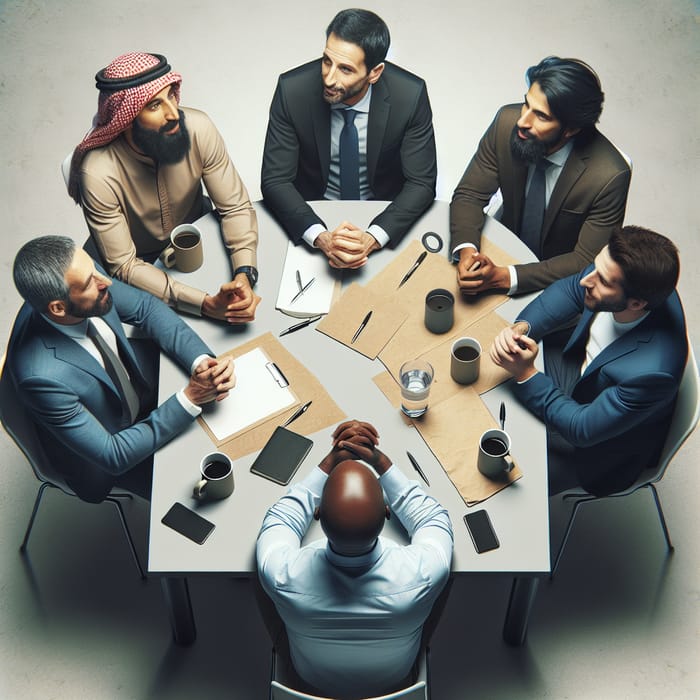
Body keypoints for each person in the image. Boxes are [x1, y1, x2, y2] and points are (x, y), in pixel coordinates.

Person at [7, 235, 236, 503]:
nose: (106, 282)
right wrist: (190, 398)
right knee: (210, 494)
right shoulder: (40, 377)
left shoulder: (84, 274)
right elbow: (112, 455)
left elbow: (145, 308)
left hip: (139, 389)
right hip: (112, 453)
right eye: (90, 283)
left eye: (94, 270)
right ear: (58, 308)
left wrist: (200, 362)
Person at [256, 420, 453, 697]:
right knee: (448, 576)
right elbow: (433, 518)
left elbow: (280, 518)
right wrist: (381, 462)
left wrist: (331, 461)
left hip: (310, 680)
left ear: (318, 514)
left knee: (258, 576)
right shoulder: (423, 573)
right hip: (394, 680)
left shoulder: (281, 574)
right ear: (387, 512)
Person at [489, 226, 687, 497]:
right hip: (581, 372)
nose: (586, 280)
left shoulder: (653, 374)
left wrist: (526, 375)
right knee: (488, 390)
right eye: (595, 265)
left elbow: (582, 429)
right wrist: (522, 329)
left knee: (501, 483)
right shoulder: (625, 277)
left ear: (637, 304)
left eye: (602, 280)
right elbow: (570, 289)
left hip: (595, 450)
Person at [67, 52, 260, 323]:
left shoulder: (199, 129)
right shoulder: (98, 174)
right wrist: (204, 304)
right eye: (154, 106)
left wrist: (244, 272)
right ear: (127, 118)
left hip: (199, 236)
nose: (173, 114)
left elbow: (235, 207)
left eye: (171, 95)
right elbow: (125, 265)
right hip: (136, 263)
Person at [261, 8, 437, 269]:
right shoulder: (292, 90)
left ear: (374, 73)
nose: (329, 78)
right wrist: (320, 236)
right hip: (313, 211)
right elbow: (275, 179)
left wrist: (373, 237)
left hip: (382, 214)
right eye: (326, 61)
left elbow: (421, 183)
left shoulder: (409, 96)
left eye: (345, 69)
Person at [450, 56, 631, 296]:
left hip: (559, 279)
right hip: (501, 244)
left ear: (571, 129)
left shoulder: (609, 175)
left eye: (542, 116)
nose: (522, 121)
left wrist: (505, 277)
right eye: (526, 104)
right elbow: (470, 193)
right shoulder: (506, 123)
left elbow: (585, 259)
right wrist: (467, 252)